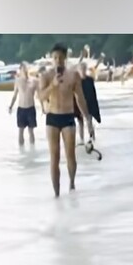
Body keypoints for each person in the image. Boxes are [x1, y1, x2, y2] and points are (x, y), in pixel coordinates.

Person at [38, 43, 90, 198]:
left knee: (70, 154)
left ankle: (72, 183)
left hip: (68, 116)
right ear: (51, 59)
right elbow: (40, 97)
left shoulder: (73, 75)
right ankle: (56, 195)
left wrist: (87, 119)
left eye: (61, 57)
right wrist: (52, 85)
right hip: (52, 117)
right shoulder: (46, 76)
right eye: (55, 58)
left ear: (65, 58)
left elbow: (80, 98)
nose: (58, 61)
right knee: (54, 157)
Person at [8, 62, 39, 145]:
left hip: (31, 108)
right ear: (20, 70)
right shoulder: (18, 81)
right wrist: (10, 106)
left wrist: (44, 106)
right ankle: (21, 151)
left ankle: (32, 151)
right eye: (23, 69)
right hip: (21, 109)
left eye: (26, 68)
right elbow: (15, 95)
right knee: (20, 131)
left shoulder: (34, 80)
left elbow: (40, 94)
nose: (25, 70)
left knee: (31, 131)